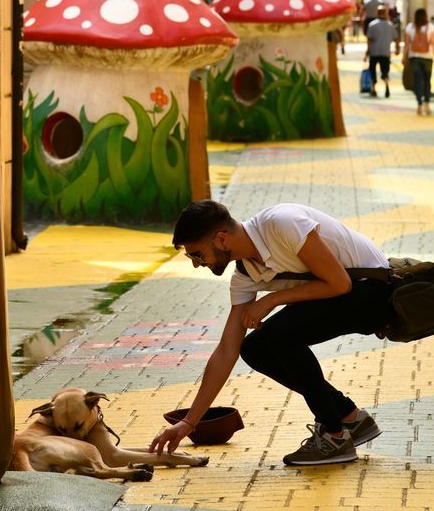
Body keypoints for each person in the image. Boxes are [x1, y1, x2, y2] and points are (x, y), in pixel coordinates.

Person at [149, 200, 392, 468]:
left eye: (196, 255)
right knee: (254, 347)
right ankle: (349, 417)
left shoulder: (281, 223)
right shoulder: (246, 274)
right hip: (348, 295)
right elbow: (227, 350)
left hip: (376, 292)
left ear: (221, 239)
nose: (197, 265)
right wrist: (189, 422)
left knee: (280, 333)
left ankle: (334, 436)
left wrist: (272, 299)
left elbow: (339, 283)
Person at [403, 7, 434, 115]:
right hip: (427, 57)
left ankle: (419, 104)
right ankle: (427, 103)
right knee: (427, 81)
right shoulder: (430, 27)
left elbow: (407, 44)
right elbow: (432, 42)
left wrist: (404, 57)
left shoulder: (410, 27)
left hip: (414, 57)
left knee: (417, 81)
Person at [365, 4, 396, 98]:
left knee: (372, 70)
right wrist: (397, 49)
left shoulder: (372, 25)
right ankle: (387, 87)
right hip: (385, 52)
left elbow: (369, 39)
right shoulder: (390, 25)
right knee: (385, 71)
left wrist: (367, 51)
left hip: (374, 52)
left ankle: (373, 88)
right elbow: (395, 37)